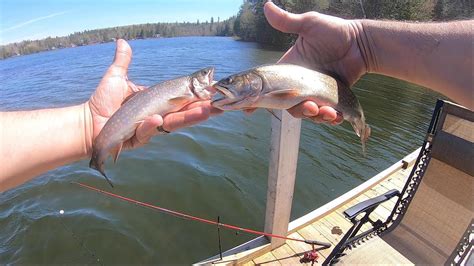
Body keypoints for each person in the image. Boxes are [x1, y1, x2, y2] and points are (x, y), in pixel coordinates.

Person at [1, 2, 471, 192]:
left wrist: (362, 45)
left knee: (337, 111)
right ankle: (99, 150)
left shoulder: (272, 83)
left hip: (325, 91)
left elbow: (281, 91)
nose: (224, 86)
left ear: (258, 83)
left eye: (234, 82)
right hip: (307, 82)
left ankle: (359, 124)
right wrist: (362, 43)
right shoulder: (255, 86)